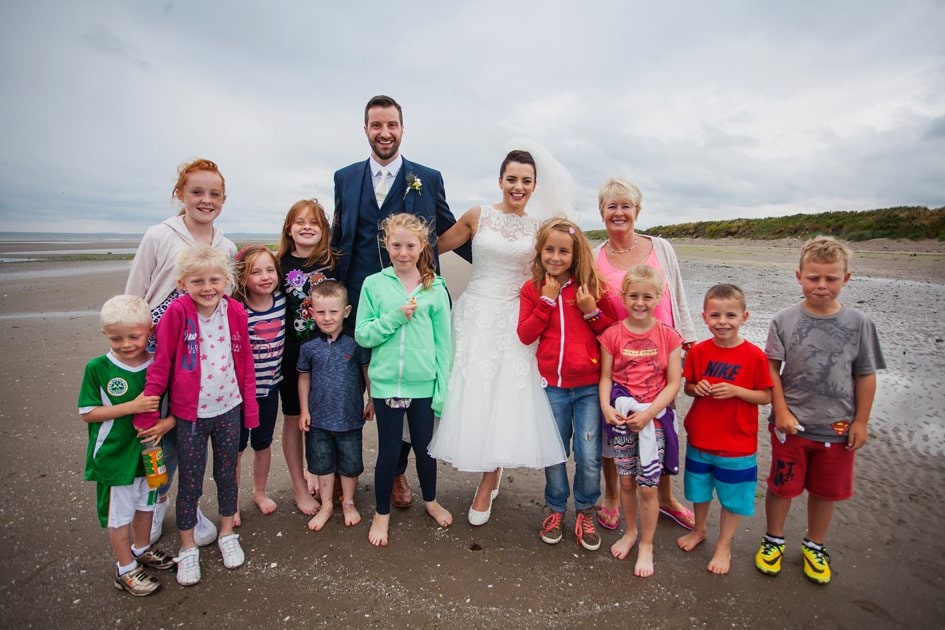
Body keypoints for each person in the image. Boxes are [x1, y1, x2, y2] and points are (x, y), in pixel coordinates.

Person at [332, 95, 472, 509]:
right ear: (365, 130)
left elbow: (449, 229)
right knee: (357, 389)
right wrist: (325, 292)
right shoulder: (344, 177)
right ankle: (347, 475)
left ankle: (394, 473)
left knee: (410, 386)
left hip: (416, 300)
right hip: (362, 301)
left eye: (391, 124)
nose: (384, 133)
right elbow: (341, 238)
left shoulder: (426, 177)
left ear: (402, 128)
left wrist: (496, 264)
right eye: (376, 125)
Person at [428, 149, 567, 526]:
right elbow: (434, 246)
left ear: (534, 186)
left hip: (514, 318)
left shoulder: (540, 227)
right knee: (472, 392)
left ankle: (488, 482)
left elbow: (559, 260)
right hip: (474, 314)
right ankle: (486, 466)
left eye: (526, 180)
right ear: (500, 180)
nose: (518, 187)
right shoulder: (477, 216)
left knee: (507, 396)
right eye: (512, 179)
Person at [755, 236, 884, 585]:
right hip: (791, 426)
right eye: (814, 277)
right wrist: (780, 411)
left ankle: (815, 544)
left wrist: (861, 421)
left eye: (831, 278)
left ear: (847, 278)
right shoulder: (783, 320)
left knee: (826, 491)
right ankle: (774, 539)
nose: (822, 285)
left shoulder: (859, 323)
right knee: (782, 486)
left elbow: (865, 375)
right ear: (799, 277)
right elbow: (771, 371)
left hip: (838, 428)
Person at [125, 158, 236, 547]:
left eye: (214, 194)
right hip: (159, 355)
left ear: (223, 199)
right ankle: (154, 503)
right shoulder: (159, 236)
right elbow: (134, 296)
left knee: (192, 438)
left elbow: (225, 306)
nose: (205, 200)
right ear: (181, 194)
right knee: (160, 438)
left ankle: (189, 505)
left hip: (205, 363)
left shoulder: (226, 245)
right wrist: (132, 354)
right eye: (197, 192)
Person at [134, 246, 259, 586]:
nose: (207, 287)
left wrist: (250, 411)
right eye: (198, 281)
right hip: (190, 415)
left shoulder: (235, 311)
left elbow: (245, 364)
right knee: (189, 480)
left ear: (227, 281)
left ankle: (227, 532)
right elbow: (161, 367)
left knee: (227, 475)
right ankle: (188, 546)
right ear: (182, 283)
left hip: (229, 410)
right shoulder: (177, 312)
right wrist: (148, 412)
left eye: (214, 279)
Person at [593, 178, 697, 533]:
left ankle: (665, 497)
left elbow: (678, 297)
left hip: (660, 357)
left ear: (637, 210)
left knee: (662, 425)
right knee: (614, 428)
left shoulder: (661, 247)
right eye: (611, 206)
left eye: (626, 205)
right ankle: (611, 496)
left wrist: (689, 343)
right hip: (616, 359)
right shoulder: (595, 257)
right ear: (601, 212)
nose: (619, 212)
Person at [517, 218, 617, 550]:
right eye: (550, 250)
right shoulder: (533, 289)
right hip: (552, 387)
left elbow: (613, 333)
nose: (556, 257)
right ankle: (556, 508)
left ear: (575, 254)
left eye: (564, 251)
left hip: (589, 387)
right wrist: (546, 300)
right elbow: (525, 334)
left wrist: (591, 311)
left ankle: (586, 509)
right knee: (555, 452)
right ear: (540, 251)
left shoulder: (593, 287)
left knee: (587, 454)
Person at [355, 213, 453, 546]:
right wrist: (395, 318)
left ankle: (431, 500)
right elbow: (363, 335)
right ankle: (381, 515)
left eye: (410, 245)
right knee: (389, 451)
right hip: (386, 386)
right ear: (386, 244)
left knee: (426, 450)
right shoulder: (374, 284)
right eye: (396, 245)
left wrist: (442, 390)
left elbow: (444, 345)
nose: (403, 252)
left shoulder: (435, 287)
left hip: (423, 385)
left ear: (422, 246)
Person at [78, 295, 174, 596]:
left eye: (134, 336)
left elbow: (173, 404)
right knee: (119, 515)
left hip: (149, 452)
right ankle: (125, 569)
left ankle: (142, 548)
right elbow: (88, 413)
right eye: (116, 338)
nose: (126, 344)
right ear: (106, 335)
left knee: (147, 502)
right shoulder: (98, 367)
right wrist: (132, 406)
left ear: (150, 331)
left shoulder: (158, 364)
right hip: (116, 455)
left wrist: (167, 423)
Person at [675, 284, 773, 574]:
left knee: (733, 497)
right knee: (699, 491)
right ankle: (699, 529)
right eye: (715, 315)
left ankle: (724, 545)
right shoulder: (698, 352)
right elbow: (689, 387)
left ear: (744, 317)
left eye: (730, 315)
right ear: (704, 316)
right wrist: (697, 387)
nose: (722, 321)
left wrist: (736, 390)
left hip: (737, 444)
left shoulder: (755, 356)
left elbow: (765, 396)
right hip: (701, 439)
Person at [598, 264, 683, 578]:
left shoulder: (669, 336)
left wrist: (648, 413)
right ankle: (630, 530)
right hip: (622, 418)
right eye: (634, 295)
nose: (640, 302)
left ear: (659, 297)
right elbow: (606, 377)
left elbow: (674, 383)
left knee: (649, 486)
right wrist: (606, 408)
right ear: (624, 296)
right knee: (626, 482)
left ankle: (647, 543)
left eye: (648, 296)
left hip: (654, 419)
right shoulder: (612, 335)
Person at [277, 199, 337, 516]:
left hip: (328, 356)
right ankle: (300, 486)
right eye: (299, 221)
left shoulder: (332, 262)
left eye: (314, 222)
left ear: (323, 229)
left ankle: (319, 472)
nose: (306, 226)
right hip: (291, 355)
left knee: (320, 418)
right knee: (293, 418)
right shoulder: (279, 264)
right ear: (289, 229)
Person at [298, 280, 373, 531]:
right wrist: (304, 411)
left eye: (333, 311)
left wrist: (372, 400)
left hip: (350, 417)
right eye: (320, 312)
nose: (327, 317)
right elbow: (304, 378)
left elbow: (366, 372)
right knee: (322, 463)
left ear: (346, 311)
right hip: (318, 419)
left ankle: (348, 501)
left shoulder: (356, 343)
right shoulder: (308, 347)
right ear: (311, 313)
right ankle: (328, 504)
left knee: (350, 463)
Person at [232, 245, 285, 526]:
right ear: (243, 277)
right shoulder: (236, 309)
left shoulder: (281, 302)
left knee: (263, 444)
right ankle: (233, 502)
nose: (265, 277)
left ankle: (259, 492)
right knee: (236, 449)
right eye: (256, 272)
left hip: (271, 388)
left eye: (269, 270)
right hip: (240, 395)